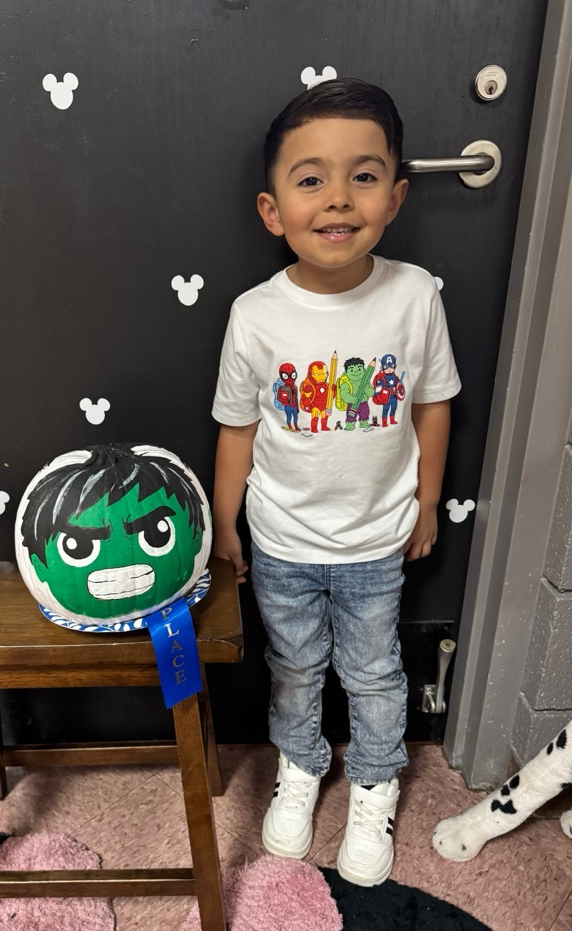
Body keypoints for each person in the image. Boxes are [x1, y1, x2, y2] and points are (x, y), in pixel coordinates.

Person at [211, 78, 461, 886]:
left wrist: (426, 501)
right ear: (272, 209)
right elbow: (239, 427)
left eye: (363, 175)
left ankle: (376, 779)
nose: (337, 199)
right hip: (281, 539)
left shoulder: (416, 295)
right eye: (310, 178)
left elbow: (432, 403)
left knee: (375, 671)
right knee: (293, 668)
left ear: (395, 196)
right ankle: (300, 766)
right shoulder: (255, 314)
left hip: (374, 541)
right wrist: (226, 523)